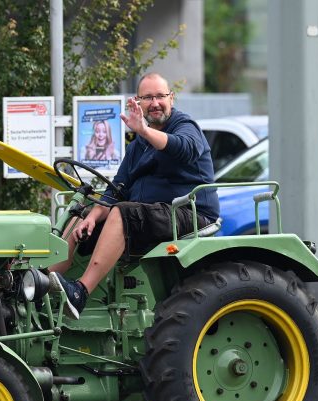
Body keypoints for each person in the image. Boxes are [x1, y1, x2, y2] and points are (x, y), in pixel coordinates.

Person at [49, 72, 218, 319]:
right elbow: (118, 188)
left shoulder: (185, 126)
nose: (155, 103)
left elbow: (183, 148)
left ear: (171, 98)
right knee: (79, 216)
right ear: (138, 102)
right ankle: (39, 288)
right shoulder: (138, 145)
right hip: (152, 214)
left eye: (160, 96)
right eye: (148, 97)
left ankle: (80, 292)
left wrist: (145, 131)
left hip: (189, 213)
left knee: (123, 212)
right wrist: (93, 217)